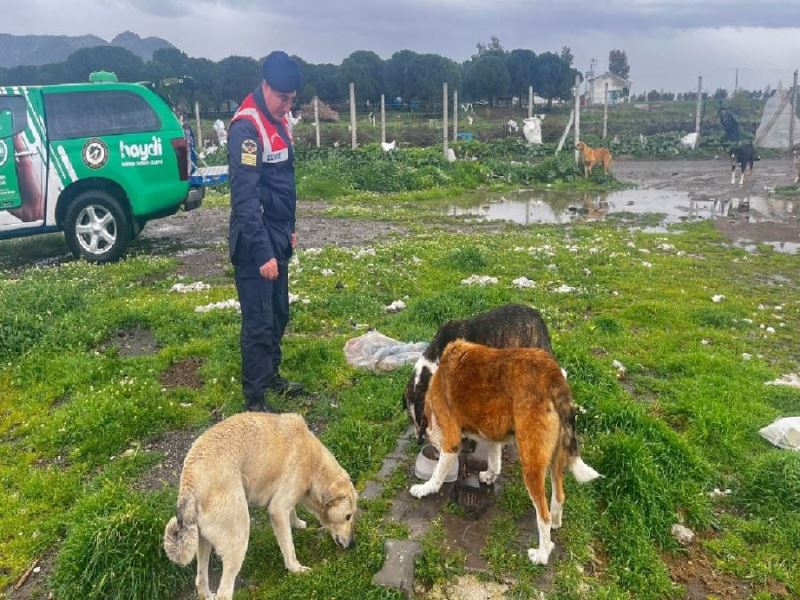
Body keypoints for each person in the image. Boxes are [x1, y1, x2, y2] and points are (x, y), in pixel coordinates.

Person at [228, 51, 304, 412]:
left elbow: (284, 182)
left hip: (277, 233)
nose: (287, 107)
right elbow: (245, 199)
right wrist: (263, 254)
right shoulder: (247, 127)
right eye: (282, 98)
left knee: (278, 314)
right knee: (258, 322)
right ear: (265, 86)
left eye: (292, 100)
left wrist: (289, 230)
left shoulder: (279, 120)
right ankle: (255, 400)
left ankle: (272, 374)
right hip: (254, 241)